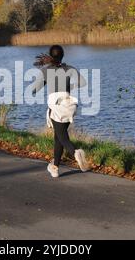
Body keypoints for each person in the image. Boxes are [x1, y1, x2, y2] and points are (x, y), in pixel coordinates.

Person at [32, 45, 90, 178]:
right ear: (63, 55)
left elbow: (34, 89)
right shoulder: (70, 68)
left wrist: (45, 82)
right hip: (69, 105)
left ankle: (76, 152)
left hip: (56, 106)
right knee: (58, 137)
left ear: (50, 56)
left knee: (62, 137)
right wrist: (69, 85)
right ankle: (55, 167)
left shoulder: (46, 70)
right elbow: (83, 83)